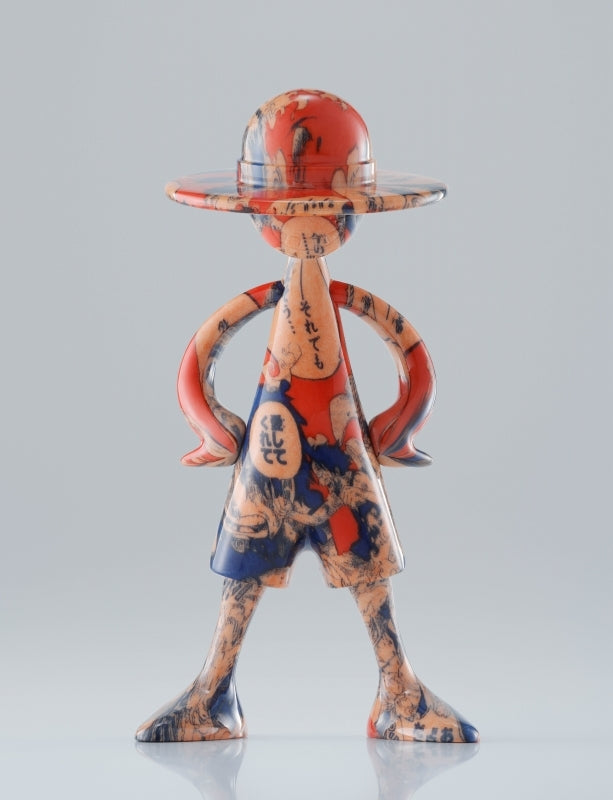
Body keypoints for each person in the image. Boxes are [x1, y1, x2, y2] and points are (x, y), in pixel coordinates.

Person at [135, 89, 478, 743]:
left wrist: (400, 422)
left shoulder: (327, 296)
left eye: (332, 210)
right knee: (245, 568)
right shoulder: (273, 296)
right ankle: (213, 693)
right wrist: (212, 425)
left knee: (367, 568)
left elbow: (409, 354)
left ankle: (398, 691)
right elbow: (201, 356)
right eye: (286, 211)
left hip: (340, 441)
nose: (310, 224)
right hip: (274, 441)